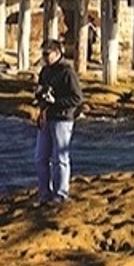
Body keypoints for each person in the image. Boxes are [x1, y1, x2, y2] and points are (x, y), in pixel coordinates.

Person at [34, 39, 82, 205]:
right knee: (40, 158)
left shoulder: (67, 72)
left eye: (47, 54)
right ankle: (44, 194)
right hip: (47, 117)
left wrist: (56, 101)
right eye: (43, 54)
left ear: (57, 53)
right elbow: (40, 91)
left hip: (62, 119)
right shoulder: (45, 71)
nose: (44, 58)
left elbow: (77, 98)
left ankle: (60, 194)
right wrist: (41, 102)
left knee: (60, 158)